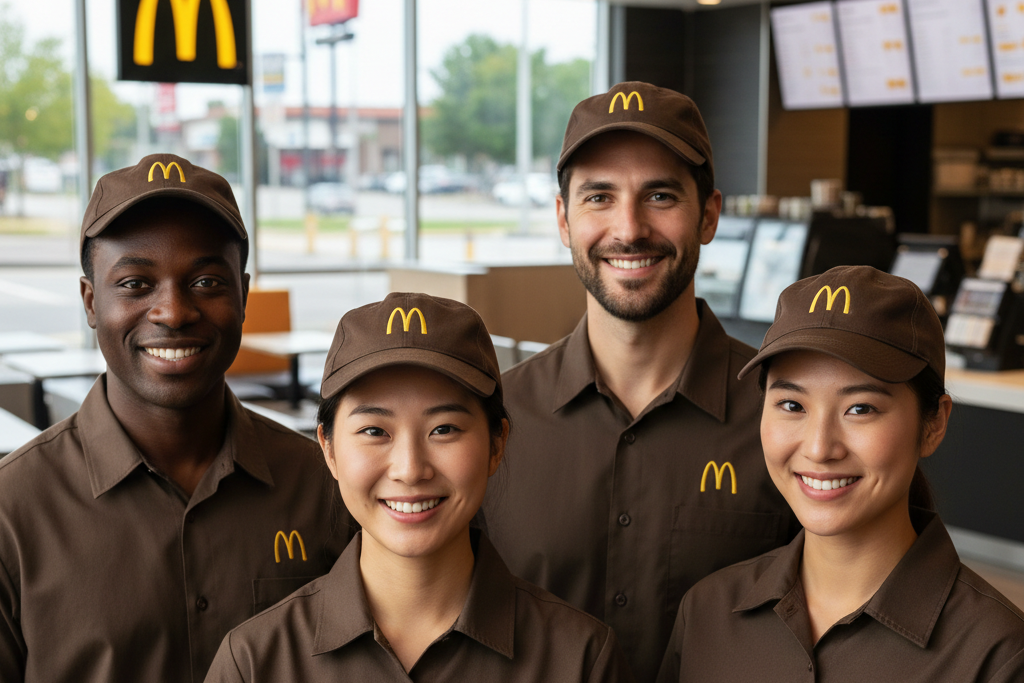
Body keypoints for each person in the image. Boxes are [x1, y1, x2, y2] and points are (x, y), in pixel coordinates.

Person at [481, 81, 797, 681]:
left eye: (659, 195)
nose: (629, 228)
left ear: (708, 215)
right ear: (563, 219)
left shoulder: (787, 418)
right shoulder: (493, 419)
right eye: (599, 197)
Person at [0, 154, 353, 682]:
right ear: (91, 301)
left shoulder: (326, 485)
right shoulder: (13, 510)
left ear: (243, 295)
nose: (174, 311)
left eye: (208, 282)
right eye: (136, 284)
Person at [205, 293, 634, 682]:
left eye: (444, 429)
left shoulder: (579, 660)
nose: (410, 470)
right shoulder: (255, 663)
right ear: (329, 449)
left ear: (496, 444)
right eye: (374, 430)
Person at [658, 265, 1024, 682]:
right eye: (792, 405)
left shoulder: (999, 657)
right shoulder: (707, 614)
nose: (819, 448)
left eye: (860, 408)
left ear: (934, 423)